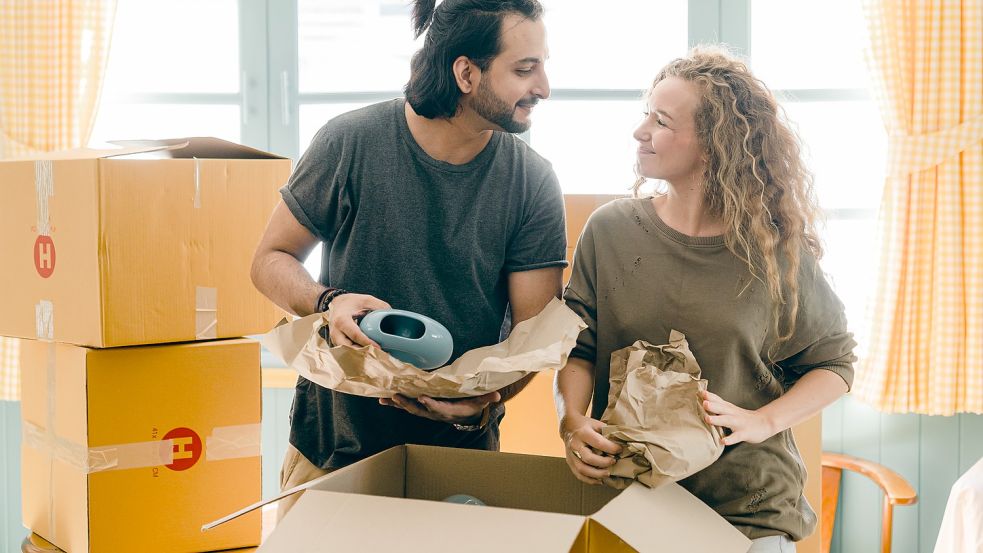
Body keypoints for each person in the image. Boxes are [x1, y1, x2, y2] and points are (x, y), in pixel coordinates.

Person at [251, 0, 565, 519]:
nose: (544, 87)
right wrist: (326, 301)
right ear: (466, 72)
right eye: (525, 69)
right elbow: (269, 259)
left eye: (543, 64)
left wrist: (486, 399)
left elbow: (533, 336)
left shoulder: (532, 182)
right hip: (333, 449)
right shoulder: (350, 143)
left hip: (459, 458)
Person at [554, 46, 856, 552]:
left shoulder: (774, 251)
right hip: (629, 503)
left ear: (714, 145)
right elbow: (576, 347)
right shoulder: (609, 231)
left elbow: (835, 363)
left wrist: (763, 422)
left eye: (662, 121)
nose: (640, 131)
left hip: (746, 513)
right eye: (645, 114)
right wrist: (570, 421)